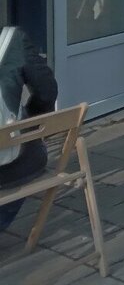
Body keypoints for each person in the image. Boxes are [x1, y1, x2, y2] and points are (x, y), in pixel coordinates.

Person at [0, 25, 58, 232]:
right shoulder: (13, 40)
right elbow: (47, 91)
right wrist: (30, 123)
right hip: (12, 167)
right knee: (29, 150)